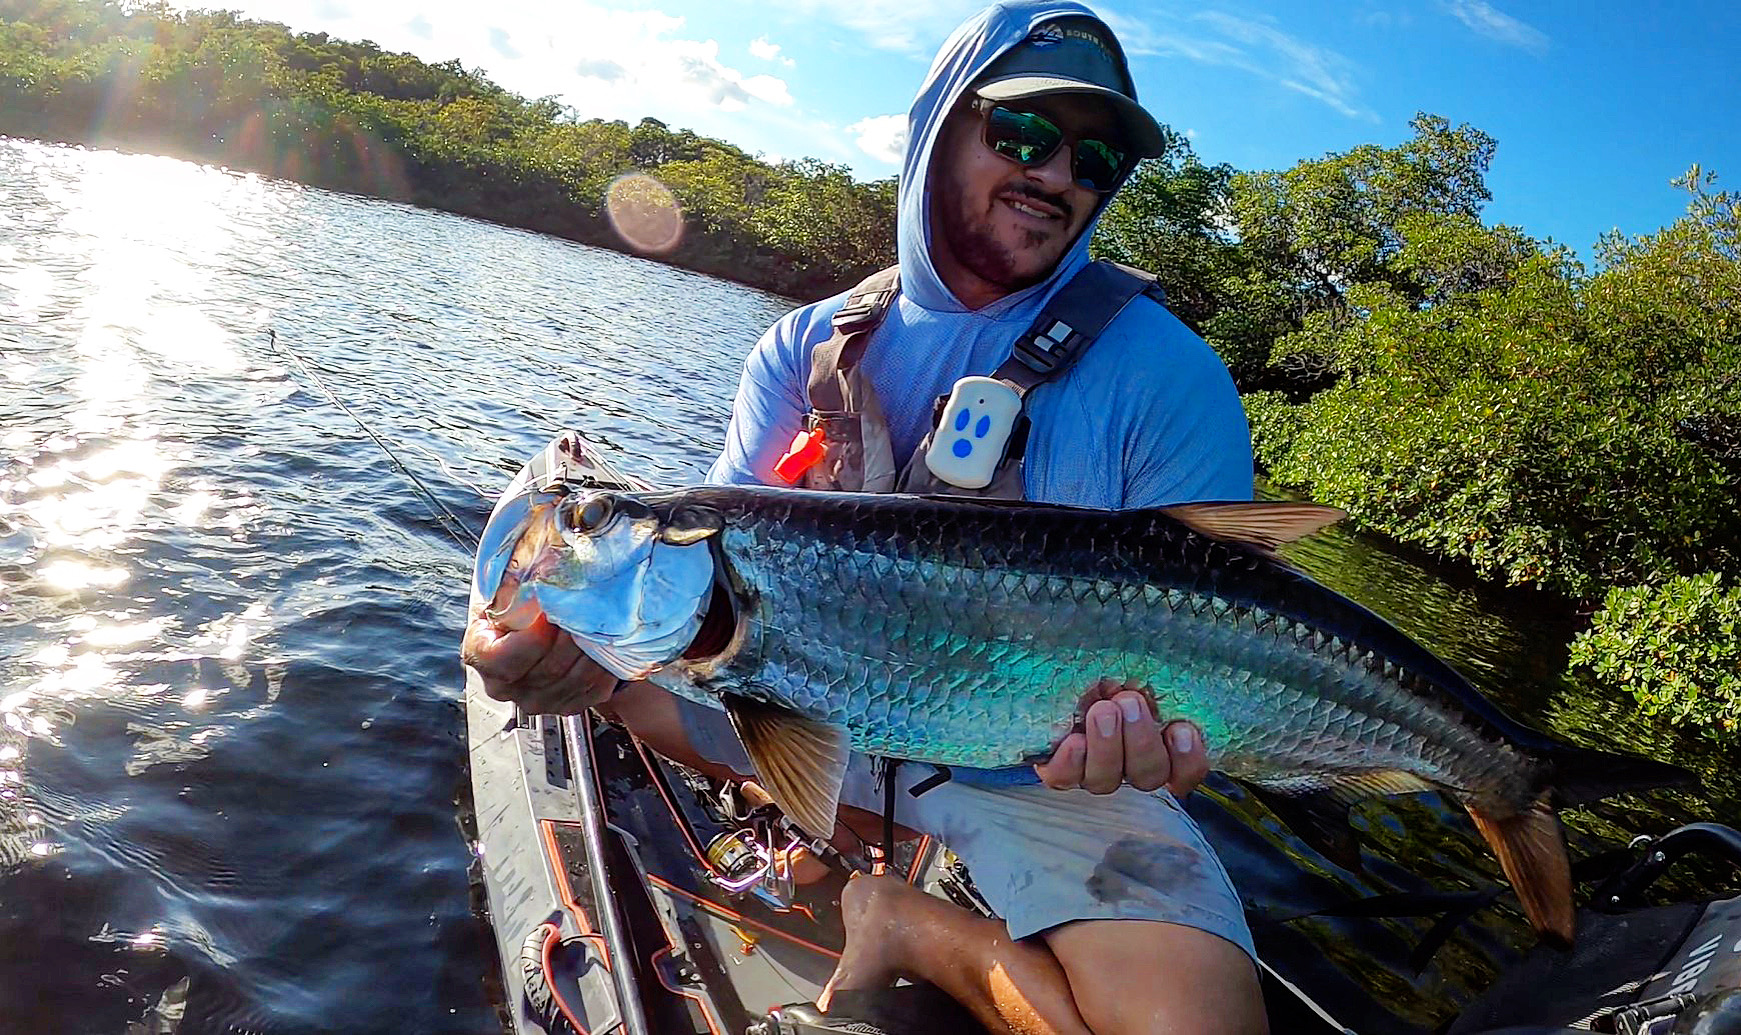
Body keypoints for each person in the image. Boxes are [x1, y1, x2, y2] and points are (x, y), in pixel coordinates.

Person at [463, 3, 1267, 1032]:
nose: (1059, 174)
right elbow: (693, 602)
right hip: (800, 710)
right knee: (590, 680)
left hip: (1032, 768)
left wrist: (1163, 742)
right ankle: (829, 832)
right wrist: (517, 642)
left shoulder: (1172, 379)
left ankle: (917, 926)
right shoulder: (799, 348)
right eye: (1020, 134)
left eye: (1095, 159)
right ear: (937, 129)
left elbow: (1219, 643)